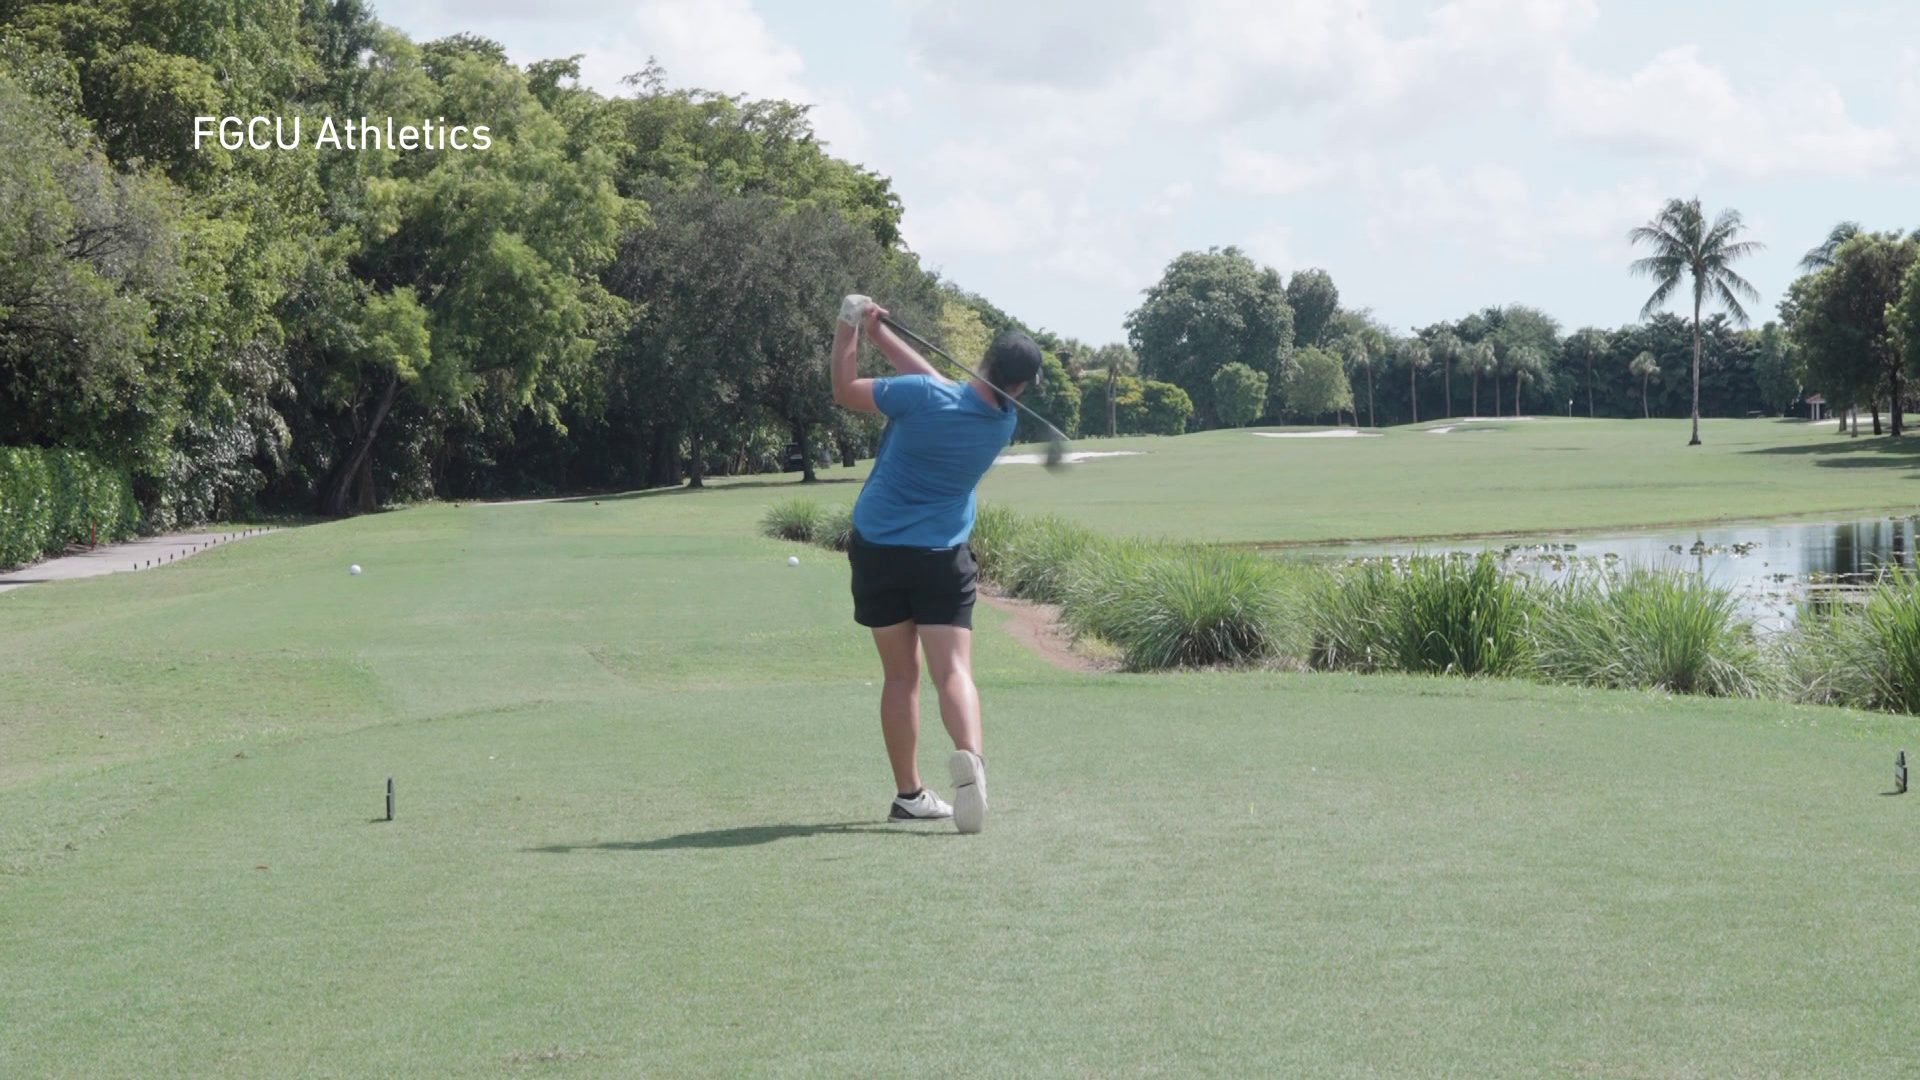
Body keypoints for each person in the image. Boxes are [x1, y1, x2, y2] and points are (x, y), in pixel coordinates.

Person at [828, 294, 1042, 834]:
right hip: (942, 558)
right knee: (953, 671)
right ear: (1018, 387)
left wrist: (850, 325)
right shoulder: (1002, 424)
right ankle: (970, 758)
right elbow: (937, 387)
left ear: (986, 359)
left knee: (901, 676)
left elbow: (845, 391)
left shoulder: (920, 398)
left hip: (877, 550)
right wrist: (883, 334)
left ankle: (908, 794)